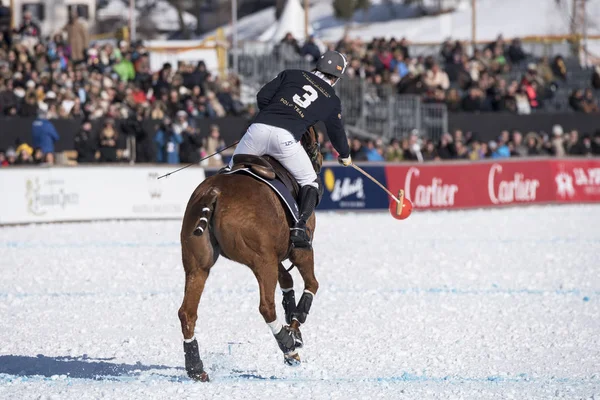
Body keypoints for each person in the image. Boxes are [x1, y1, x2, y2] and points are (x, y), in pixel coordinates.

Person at [225, 51, 352, 249]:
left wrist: (275, 114)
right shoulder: (331, 99)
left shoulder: (291, 74)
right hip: (285, 139)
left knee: (229, 171)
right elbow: (336, 132)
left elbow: (262, 96)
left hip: (257, 130)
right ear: (335, 78)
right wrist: (345, 155)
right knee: (310, 182)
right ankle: (300, 228)